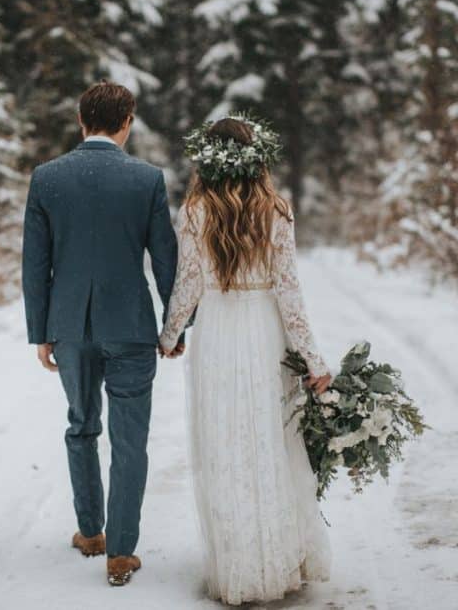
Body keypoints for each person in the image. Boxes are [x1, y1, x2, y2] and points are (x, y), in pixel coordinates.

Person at [158, 116, 332, 605]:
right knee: (271, 440)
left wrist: (171, 335)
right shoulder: (276, 210)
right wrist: (313, 360)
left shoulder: (194, 211)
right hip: (264, 332)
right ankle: (280, 557)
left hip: (217, 330)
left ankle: (241, 563)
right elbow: (289, 294)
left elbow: (188, 283)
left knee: (227, 443)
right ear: (257, 158)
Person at [21, 80, 182, 587]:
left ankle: (90, 531)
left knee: (81, 424)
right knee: (130, 440)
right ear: (127, 121)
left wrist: (40, 331)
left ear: (80, 119)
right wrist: (175, 325)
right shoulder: (147, 179)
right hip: (131, 326)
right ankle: (121, 552)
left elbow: (35, 263)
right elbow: (165, 257)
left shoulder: (46, 178)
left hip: (69, 326)